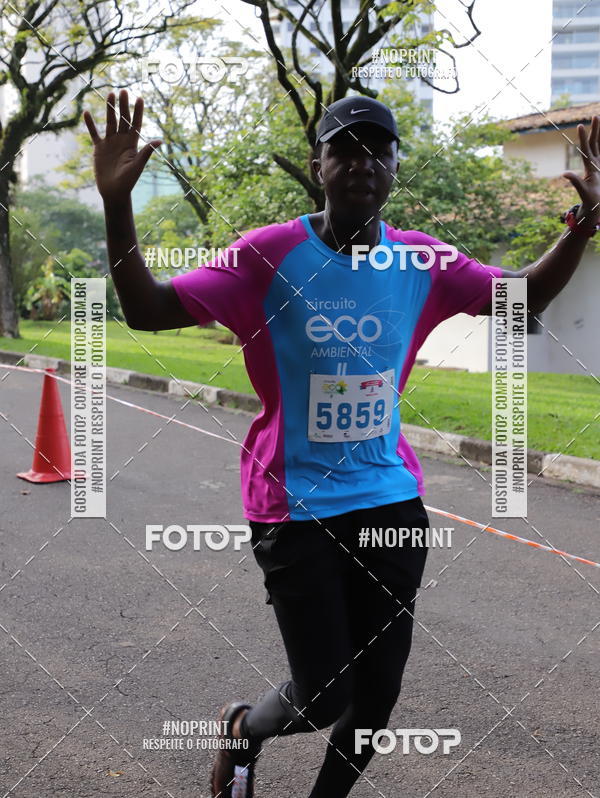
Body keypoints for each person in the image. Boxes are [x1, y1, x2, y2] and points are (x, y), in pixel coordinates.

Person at [84, 90, 600, 798]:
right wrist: (117, 205)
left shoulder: (423, 261)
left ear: (394, 166)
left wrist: (581, 226)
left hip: (390, 501)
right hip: (292, 508)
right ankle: (243, 728)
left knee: (377, 696)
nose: (362, 163)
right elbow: (146, 310)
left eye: (377, 150)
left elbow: (523, 299)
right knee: (325, 693)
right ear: (317, 164)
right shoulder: (265, 256)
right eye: (345, 149)